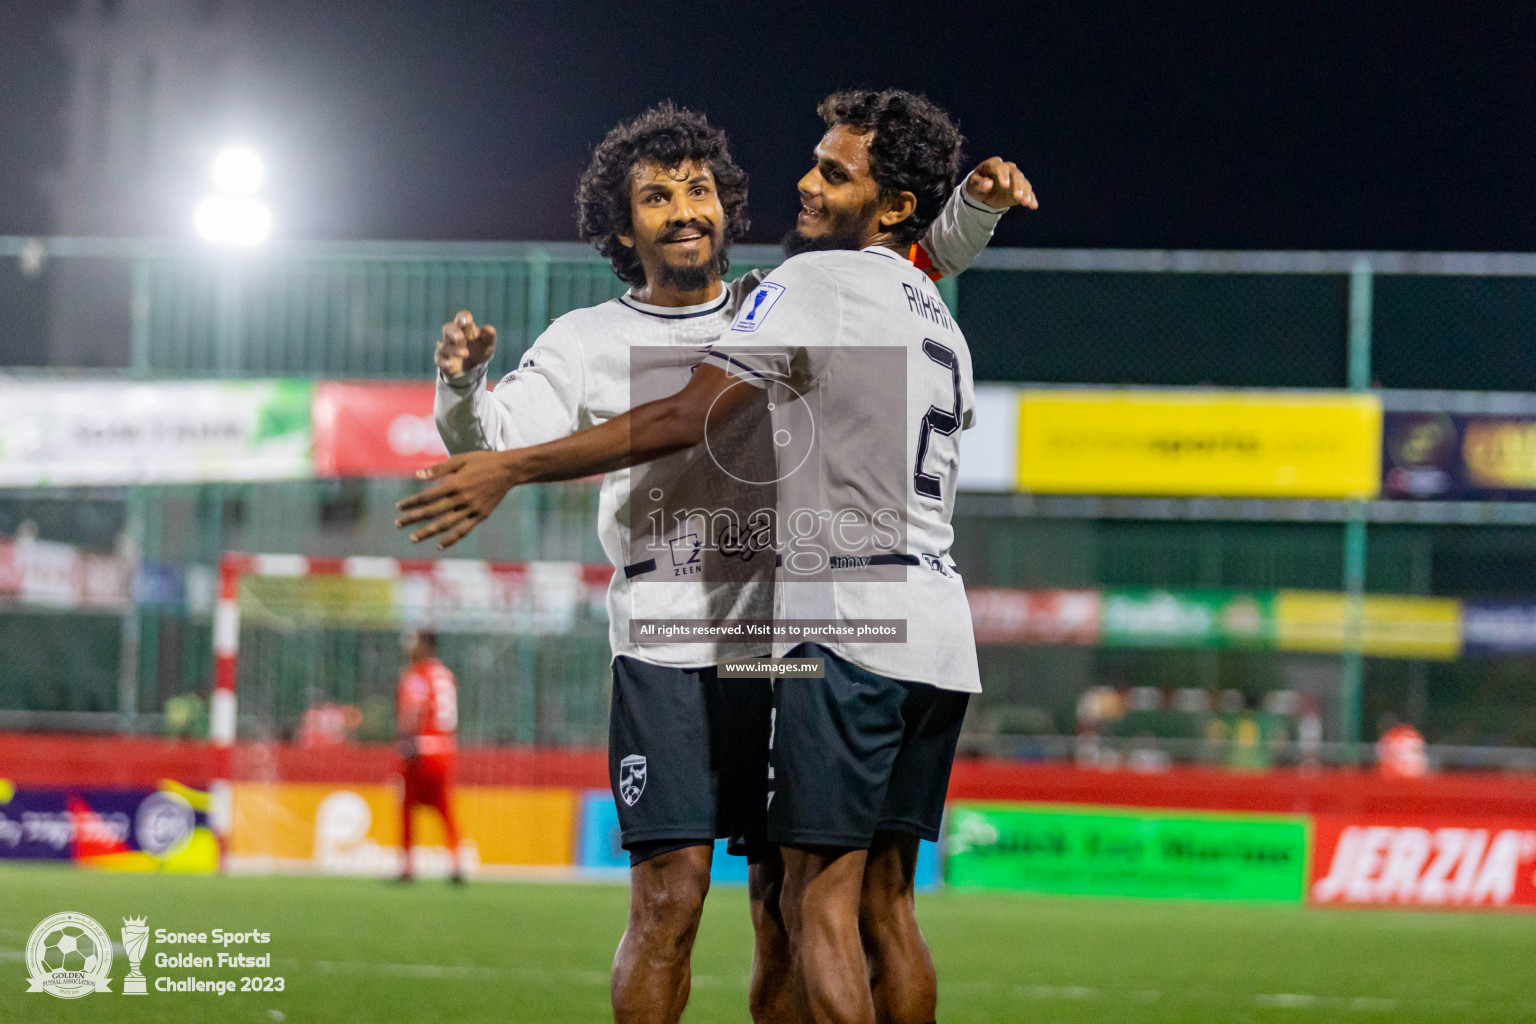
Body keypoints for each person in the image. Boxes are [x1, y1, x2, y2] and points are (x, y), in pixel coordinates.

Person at [399, 90, 1025, 1024]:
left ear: (727, 205)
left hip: (780, 633)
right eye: (657, 197)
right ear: (625, 224)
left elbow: (901, 267)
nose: (684, 209)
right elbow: (486, 435)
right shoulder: (587, 338)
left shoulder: (786, 293)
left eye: (700, 189)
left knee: (788, 904)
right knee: (673, 897)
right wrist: (460, 388)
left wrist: (969, 211)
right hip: (667, 633)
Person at [395, 630, 465, 883]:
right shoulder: (446, 675)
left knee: (406, 806)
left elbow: (413, 709)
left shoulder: (416, 675)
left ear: (424, 645)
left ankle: (407, 866)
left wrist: (405, 741)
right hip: (446, 748)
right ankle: (457, 862)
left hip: (421, 749)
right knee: (445, 808)